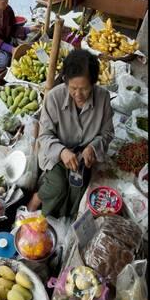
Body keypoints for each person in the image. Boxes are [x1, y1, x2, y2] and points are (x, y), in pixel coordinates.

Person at [27, 49, 114, 218]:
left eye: (85, 89)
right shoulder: (54, 97)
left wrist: (93, 147)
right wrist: (62, 151)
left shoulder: (103, 98)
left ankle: (64, 219)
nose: (78, 94)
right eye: (73, 88)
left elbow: (108, 133)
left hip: (83, 155)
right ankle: (38, 199)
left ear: (94, 83)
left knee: (78, 189)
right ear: (66, 82)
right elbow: (44, 136)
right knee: (58, 187)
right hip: (56, 152)